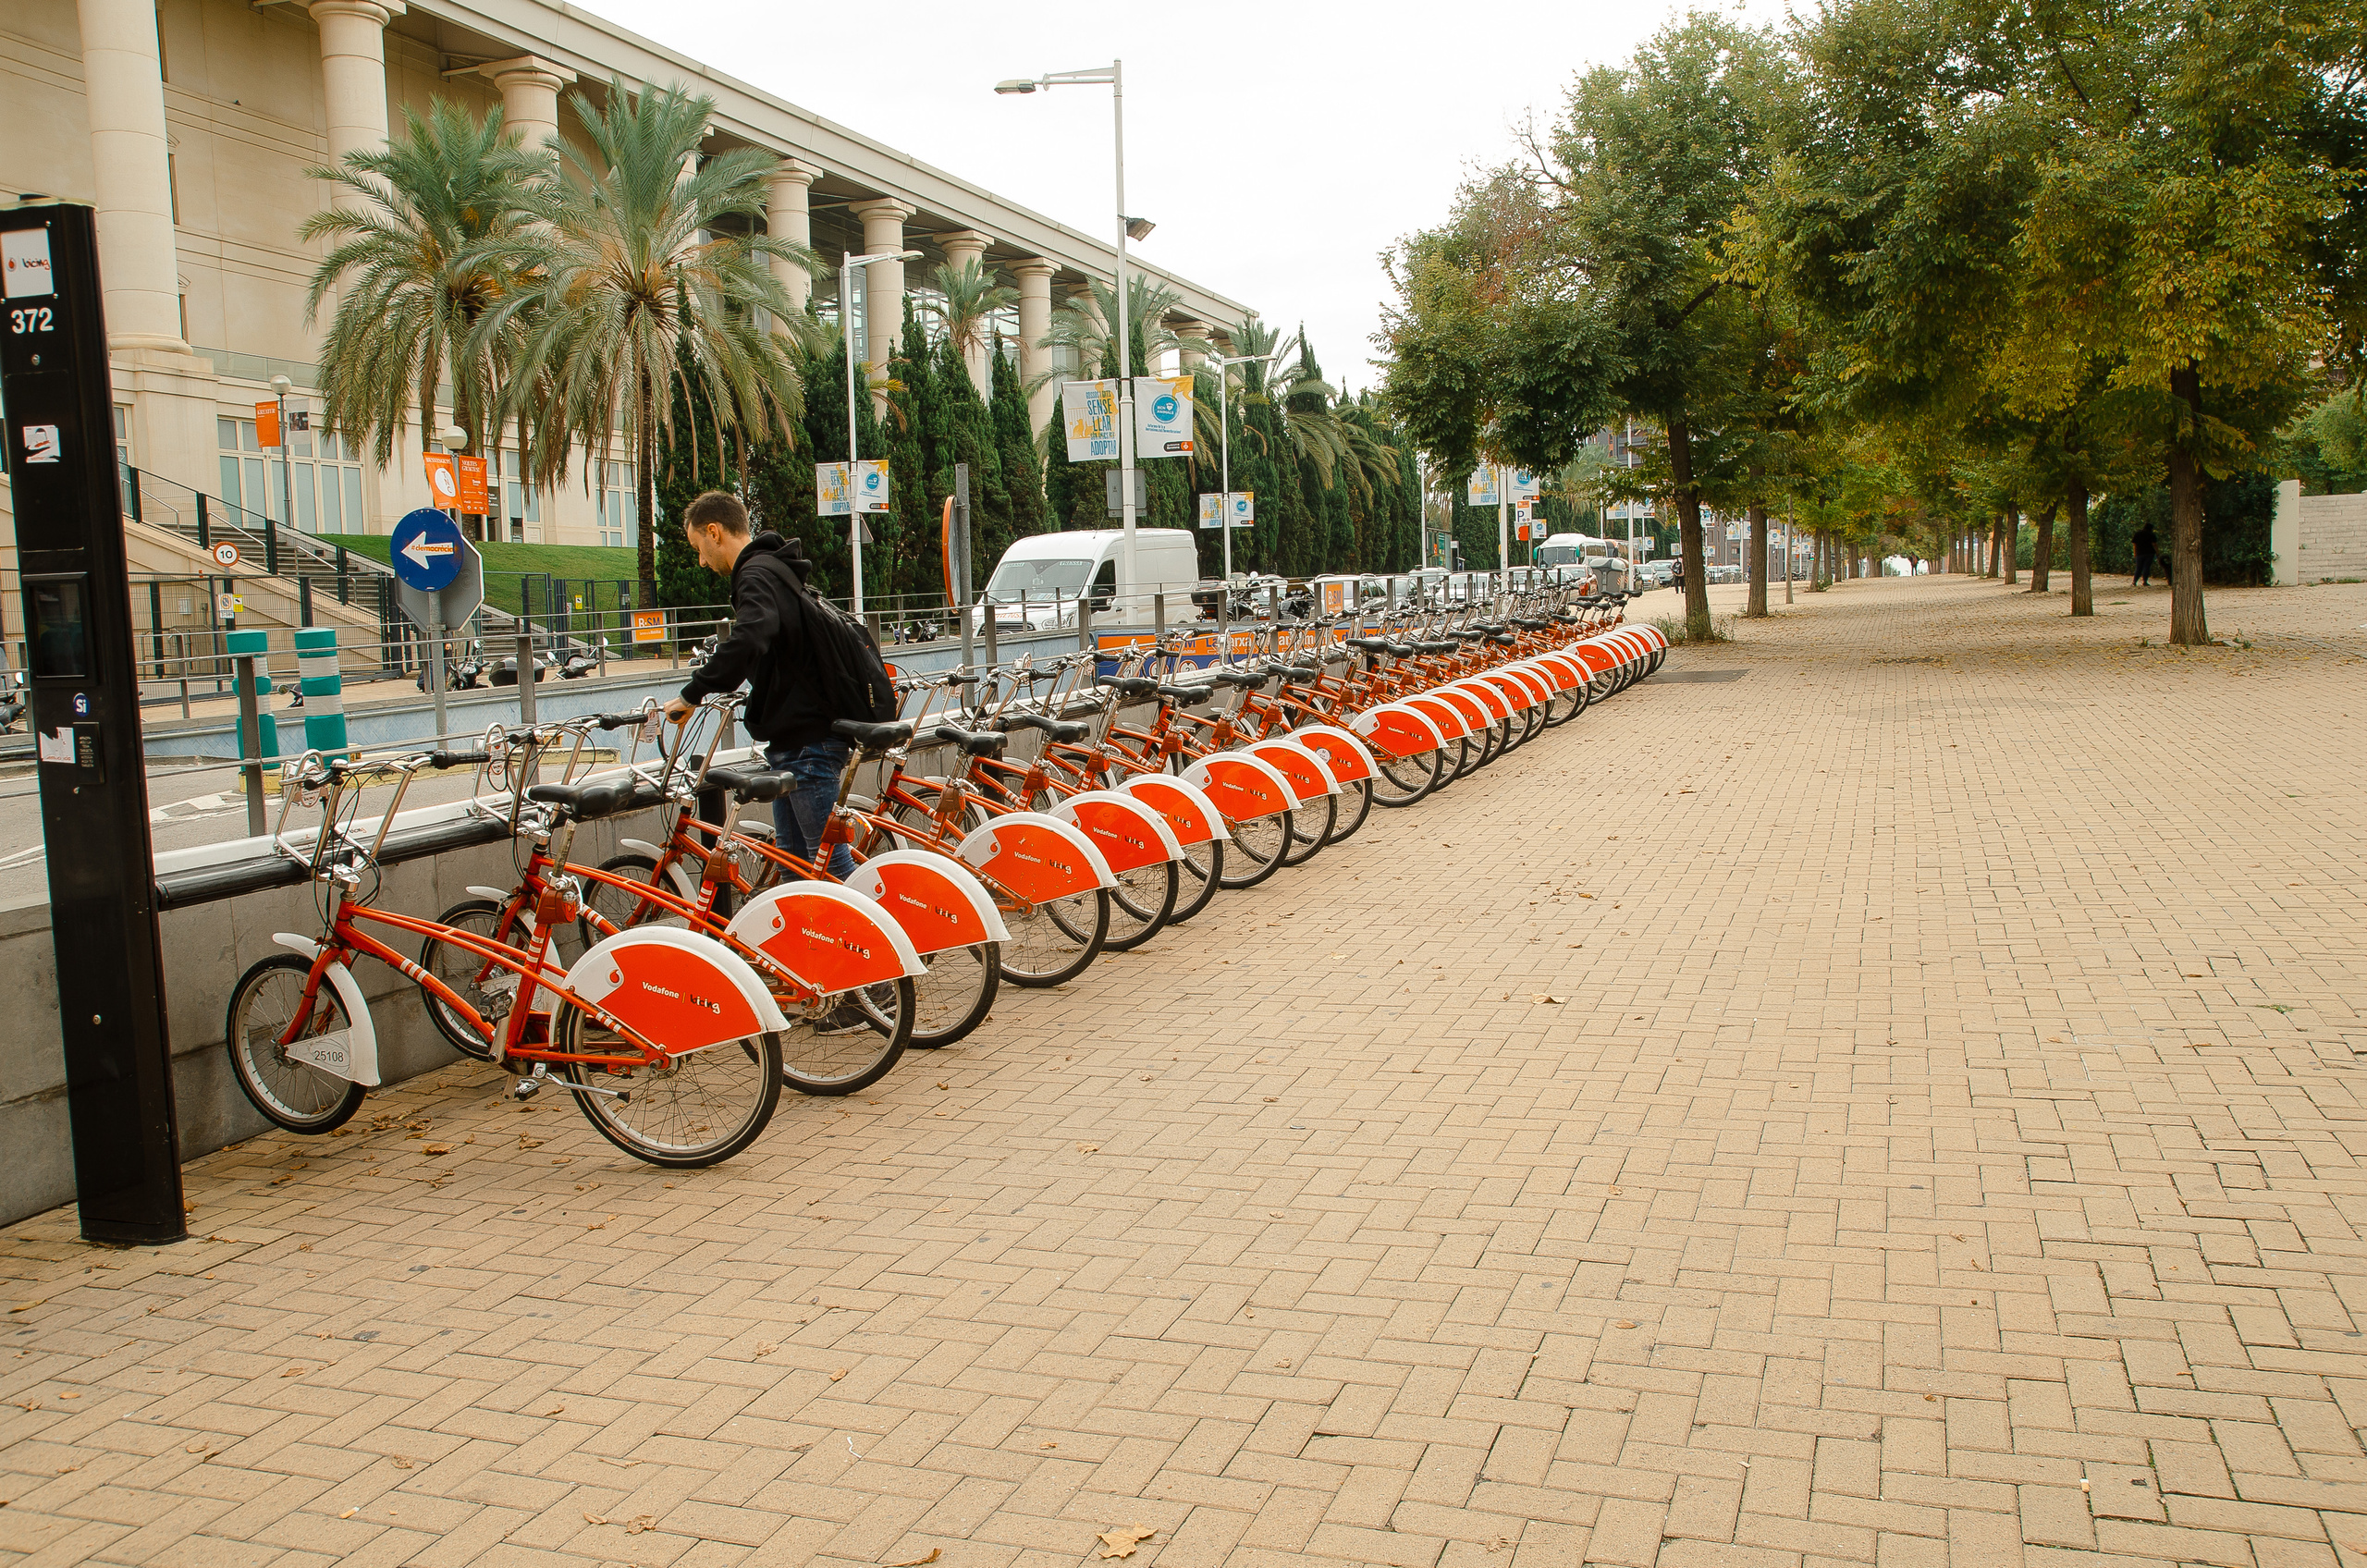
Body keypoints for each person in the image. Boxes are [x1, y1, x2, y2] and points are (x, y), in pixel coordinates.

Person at [663, 493, 865, 975]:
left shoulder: (754, 574)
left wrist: (693, 693)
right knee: (796, 867)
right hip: (798, 740)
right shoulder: (778, 569)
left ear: (714, 532)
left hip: (807, 741)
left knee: (830, 868)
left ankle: (878, 977)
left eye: (698, 547)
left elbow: (750, 636)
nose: (701, 560)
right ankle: (812, 976)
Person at [2131, 521, 2159, 587]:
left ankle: (2134, 581)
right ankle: (2145, 581)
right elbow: (2154, 544)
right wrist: (2157, 552)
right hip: (2149, 553)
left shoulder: (2138, 534)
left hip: (2139, 553)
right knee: (2146, 567)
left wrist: (2135, 553)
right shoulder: (2151, 534)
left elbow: (2134, 544)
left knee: (2138, 568)